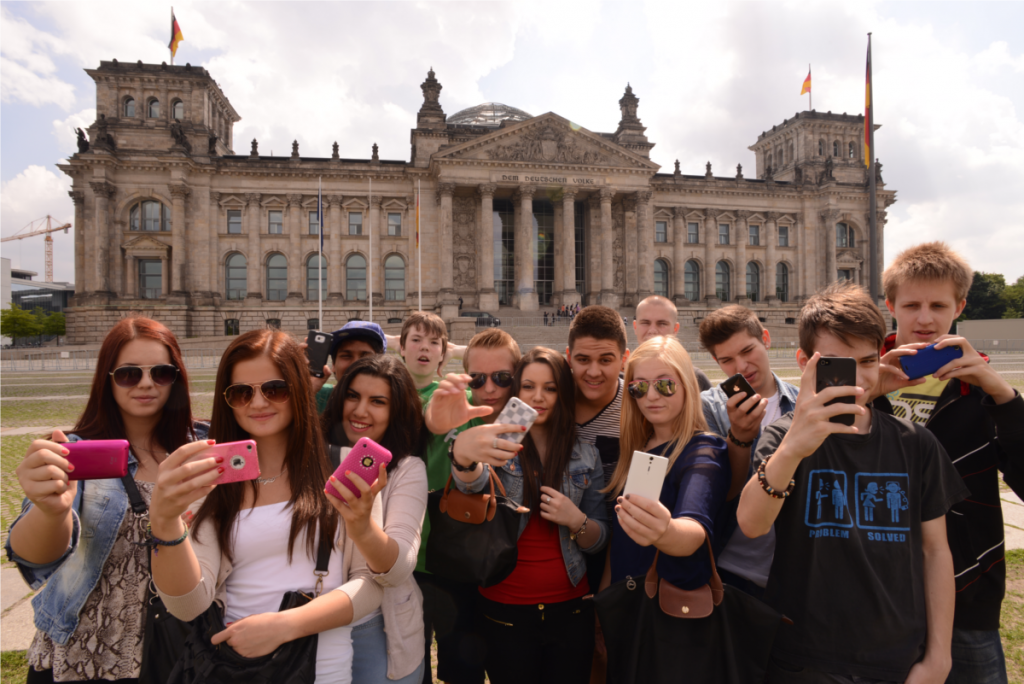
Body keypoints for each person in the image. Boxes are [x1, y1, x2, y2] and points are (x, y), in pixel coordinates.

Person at [736, 282, 968, 684]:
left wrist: (939, 658)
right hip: (804, 656)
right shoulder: (782, 438)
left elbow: (935, 552)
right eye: (837, 365)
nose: (857, 380)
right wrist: (794, 448)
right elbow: (752, 524)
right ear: (805, 362)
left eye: (867, 361)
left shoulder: (915, 443)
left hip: (896, 654)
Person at [150, 329, 382, 684]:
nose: (258, 403)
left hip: (326, 672)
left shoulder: (344, 466)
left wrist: (286, 625)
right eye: (241, 393)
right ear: (226, 400)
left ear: (300, 390)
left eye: (275, 389)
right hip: (234, 667)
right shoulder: (209, 483)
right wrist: (165, 524)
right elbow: (188, 604)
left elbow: (371, 582)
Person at [6, 317, 207, 683]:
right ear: (108, 379)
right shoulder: (75, 452)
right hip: (87, 653)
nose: (146, 383)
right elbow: (34, 557)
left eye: (161, 372)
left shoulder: (203, 448)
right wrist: (52, 510)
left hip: (179, 651)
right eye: (129, 374)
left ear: (176, 378)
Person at [876, 242, 1024, 683]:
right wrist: (869, 389)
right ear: (890, 306)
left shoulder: (983, 391)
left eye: (938, 305)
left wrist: (1002, 396)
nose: (924, 319)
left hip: (968, 592)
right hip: (876, 589)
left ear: (959, 306)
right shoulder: (865, 376)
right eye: (912, 305)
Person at [449, 347, 609, 684]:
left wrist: (575, 520)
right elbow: (471, 485)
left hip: (572, 609)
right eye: (528, 387)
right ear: (516, 392)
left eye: (550, 388)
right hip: (503, 610)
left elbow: (598, 541)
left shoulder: (586, 455)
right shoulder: (497, 443)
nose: (539, 397)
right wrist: (462, 458)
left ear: (563, 393)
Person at [415, 328, 523, 684]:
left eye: (502, 378)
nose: (489, 388)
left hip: (499, 568)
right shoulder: (452, 406)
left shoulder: (527, 420)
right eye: (477, 379)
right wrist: (436, 419)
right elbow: (431, 418)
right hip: (435, 564)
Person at [600, 334, 731, 625]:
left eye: (665, 384)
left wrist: (665, 531)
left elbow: (694, 531)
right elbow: (620, 539)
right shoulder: (638, 447)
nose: (651, 396)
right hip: (624, 605)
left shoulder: (704, 450)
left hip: (669, 614)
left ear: (686, 385)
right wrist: (603, 602)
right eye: (638, 387)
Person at [321, 354, 429, 684]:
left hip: (377, 628)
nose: (360, 410)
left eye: (377, 401)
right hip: (305, 619)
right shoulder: (311, 456)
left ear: (395, 412)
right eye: (352, 396)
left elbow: (398, 568)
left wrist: (363, 526)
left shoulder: (408, 470)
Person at [697, 305, 799, 598]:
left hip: (793, 563)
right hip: (733, 566)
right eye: (727, 360)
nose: (741, 367)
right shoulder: (709, 406)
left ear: (765, 338)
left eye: (748, 351)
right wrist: (739, 438)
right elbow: (719, 494)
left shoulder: (802, 401)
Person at [634, 295, 712, 391]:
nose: (652, 330)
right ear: (635, 327)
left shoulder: (696, 379)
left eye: (662, 324)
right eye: (645, 323)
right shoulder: (622, 378)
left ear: (675, 329)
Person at [308, 321, 389, 413]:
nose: (355, 364)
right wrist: (305, 390)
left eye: (365, 356)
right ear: (333, 365)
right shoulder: (315, 395)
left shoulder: (393, 402)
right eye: (346, 356)